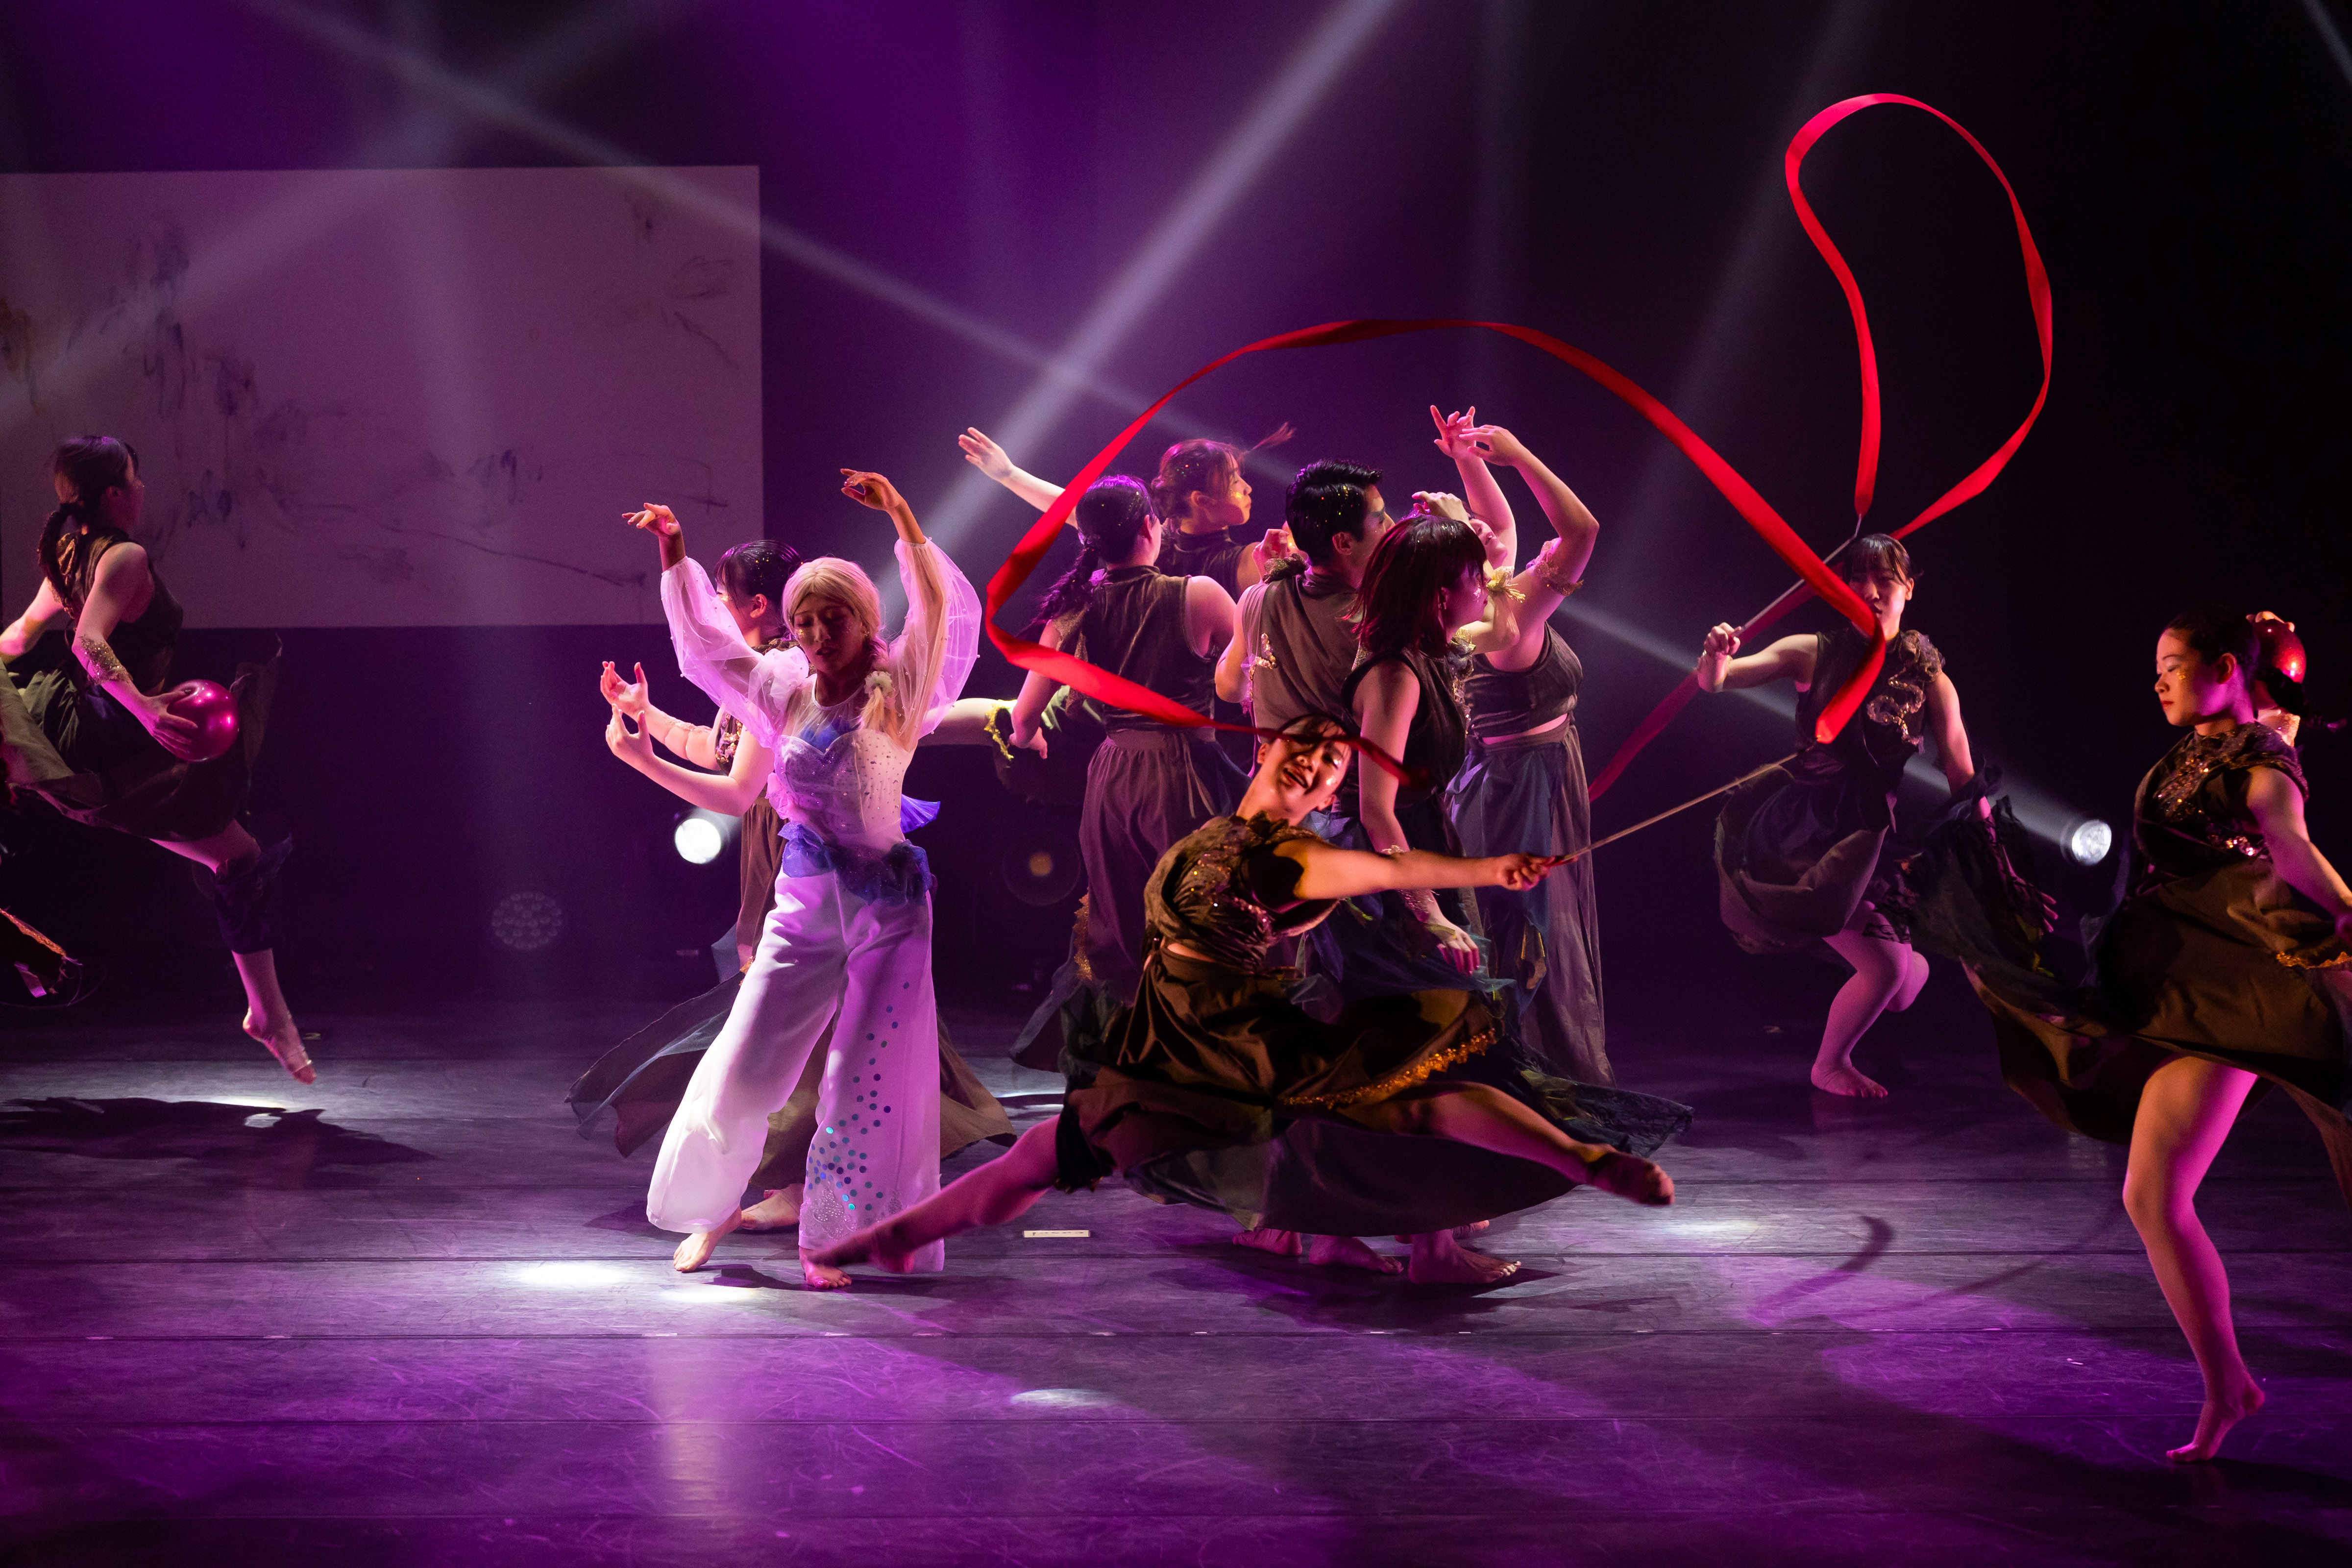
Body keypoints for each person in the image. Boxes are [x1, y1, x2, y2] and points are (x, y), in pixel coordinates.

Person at [808, 715, 1677, 1284]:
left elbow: (1391, 868)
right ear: (1265, 751)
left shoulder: (1296, 855)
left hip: (1234, 1040)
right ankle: (898, 1237)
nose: (1318, 758)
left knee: (1420, 1106)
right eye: (1308, 742)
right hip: (1170, 1038)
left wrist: (1490, 870)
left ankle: (1585, 1159)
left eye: (1333, 762)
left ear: (1331, 793)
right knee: (1043, 1158)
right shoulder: (1216, 833)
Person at [1911, 606, 2352, 1463]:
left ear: (2226, 668)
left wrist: (2344, 908)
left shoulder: (2263, 759)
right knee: (2150, 1198)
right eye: (2156, 667)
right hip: (2177, 992)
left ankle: (2227, 1387)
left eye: (2175, 665)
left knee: (2157, 1193)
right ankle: (2230, 1388)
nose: (2158, 681)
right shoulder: (2205, 747)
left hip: (2237, 997)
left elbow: (2291, 844)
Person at [569, 537, 1009, 1231]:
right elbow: (716, 739)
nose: (816, 633)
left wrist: (901, 521)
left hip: (871, 895)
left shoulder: (848, 681)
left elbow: (740, 783)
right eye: (806, 620)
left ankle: (822, 1222)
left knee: (849, 1073)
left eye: (721, 594)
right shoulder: (777, 687)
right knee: (762, 1058)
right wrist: (645, 721)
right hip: (798, 883)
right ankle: (745, 1203)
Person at [0, 437, 308, 1079]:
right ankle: (269, 1017)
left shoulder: (70, 553)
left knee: (239, 857)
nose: (143, 490)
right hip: (114, 746)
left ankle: (269, 1016)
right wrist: (143, 707)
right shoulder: (126, 556)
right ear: (115, 494)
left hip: (84, 730)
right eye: (135, 479)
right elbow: (87, 643)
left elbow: (21, 636)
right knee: (240, 860)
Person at [1693, 534, 1977, 1097]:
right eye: (1857, 579)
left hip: (1870, 837)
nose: (1869, 591)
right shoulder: (1812, 650)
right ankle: (1830, 1064)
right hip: (1808, 836)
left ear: (1909, 588)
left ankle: (1898, 963)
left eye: (1885, 580)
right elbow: (1717, 682)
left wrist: (1991, 846)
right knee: (1886, 972)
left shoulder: (1930, 680)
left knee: (1901, 987)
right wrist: (1716, 657)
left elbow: (1961, 771)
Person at [1005, 477, 1240, 1009]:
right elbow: (1251, 680)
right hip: (1184, 771)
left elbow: (1023, 718)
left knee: (1121, 926)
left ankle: (1128, 1042)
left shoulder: (1074, 608)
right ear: (1150, 526)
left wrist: (1031, 736)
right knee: (1195, 916)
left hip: (1113, 774)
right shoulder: (1198, 593)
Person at [1440, 419, 1614, 1084]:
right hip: (1525, 789)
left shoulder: (1486, 609)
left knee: (1525, 926)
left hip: (1515, 777)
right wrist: (1518, 456)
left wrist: (1468, 461)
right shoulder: (1507, 623)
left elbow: (1502, 523)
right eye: (1477, 537)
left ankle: (1513, 1065)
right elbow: (1582, 531)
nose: (1497, 535)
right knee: (1536, 932)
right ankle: (1532, 1071)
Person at [958, 426, 1288, 595]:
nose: (1247, 488)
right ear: (1201, 500)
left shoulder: (1240, 561)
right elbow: (1074, 509)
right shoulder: (1150, 540)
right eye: (1234, 480)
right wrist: (1008, 474)